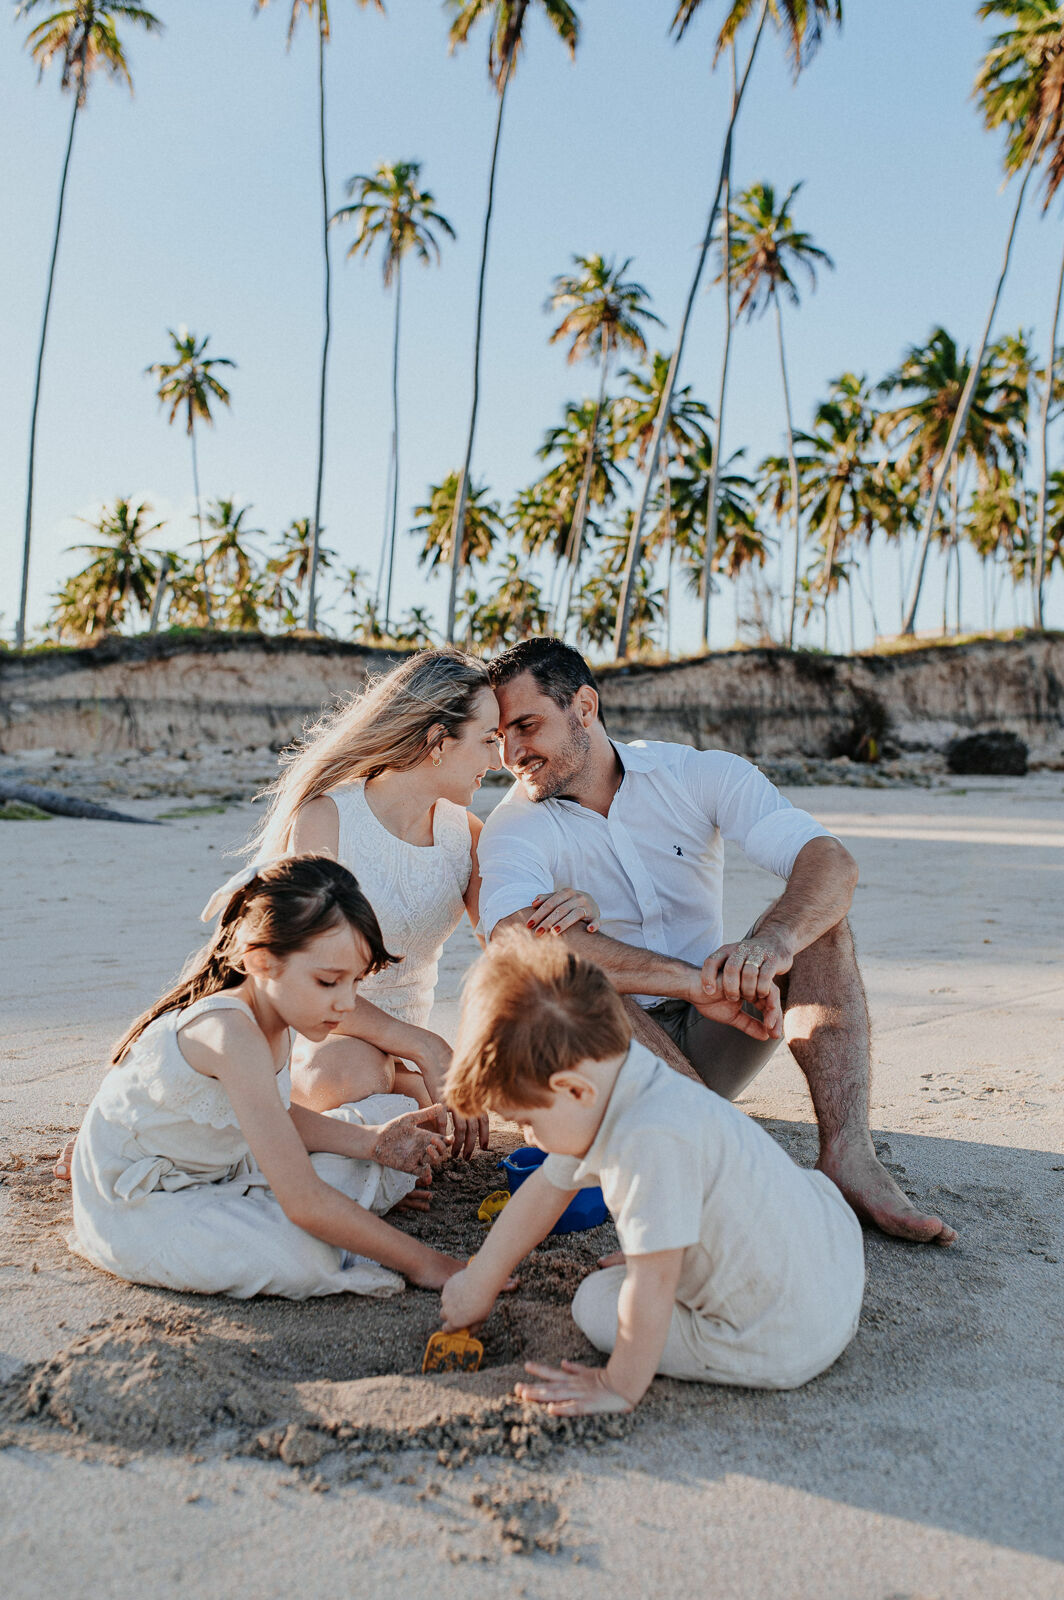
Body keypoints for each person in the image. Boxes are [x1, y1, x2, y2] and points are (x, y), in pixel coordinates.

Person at [476, 637, 955, 1246]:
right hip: (605, 1055)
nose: (513, 753)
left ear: (586, 707)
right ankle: (716, 1153)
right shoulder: (515, 826)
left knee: (821, 925)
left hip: (716, 1029)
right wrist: (690, 981)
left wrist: (776, 942)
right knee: (571, 982)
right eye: (500, 737)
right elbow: (515, 945)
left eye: (527, 725)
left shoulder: (697, 775)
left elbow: (829, 862)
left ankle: (848, 1154)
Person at [440, 936, 865, 1414]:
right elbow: (548, 1187)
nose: (529, 1138)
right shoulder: (623, 1072)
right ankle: (690, 1249)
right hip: (833, 1256)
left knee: (595, 1303)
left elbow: (652, 1287)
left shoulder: (646, 1143)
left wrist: (618, 1385)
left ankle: (632, 1372)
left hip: (782, 1336)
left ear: (572, 1090)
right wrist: (480, 1282)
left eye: (526, 1121)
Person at [248, 647, 597, 1158]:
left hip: (408, 1050)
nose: (497, 761)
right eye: (486, 741)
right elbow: (304, 979)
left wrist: (578, 906)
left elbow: (512, 951)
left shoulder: (467, 836)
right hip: (327, 1034)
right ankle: (398, 1101)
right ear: (438, 742)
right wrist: (424, 1046)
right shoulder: (327, 818)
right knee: (351, 1072)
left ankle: (399, 1107)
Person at [70, 855, 467, 1299]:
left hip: (227, 1164)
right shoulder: (229, 1032)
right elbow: (303, 1200)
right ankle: (343, 1221)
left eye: (355, 982)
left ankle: (344, 1211)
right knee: (307, 1256)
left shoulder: (281, 1010)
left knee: (395, 1114)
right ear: (260, 962)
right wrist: (429, 1263)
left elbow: (277, 1115)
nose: (345, 1002)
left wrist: (374, 1141)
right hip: (148, 1201)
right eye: (328, 982)